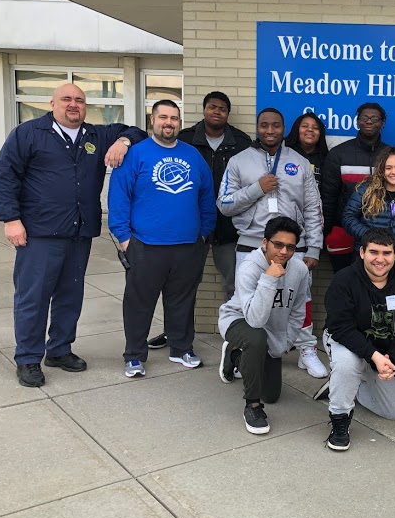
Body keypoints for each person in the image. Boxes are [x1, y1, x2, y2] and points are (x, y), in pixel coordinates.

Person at [0, 83, 144, 387]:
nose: (73, 105)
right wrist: (11, 219)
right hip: (40, 233)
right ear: (53, 103)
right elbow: (3, 176)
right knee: (33, 297)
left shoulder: (96, 135)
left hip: (79, 232)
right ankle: (29, 358)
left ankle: (59, 349)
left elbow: (137, 131)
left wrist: (123, 141)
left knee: (70, 296)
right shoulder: (29, 133)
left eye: (79, 100)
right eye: (67, 99)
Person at [217, 107, 327, 379]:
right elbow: (224, 204)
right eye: (264, 125)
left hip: (293, 248)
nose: (269, 130)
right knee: (249, 301)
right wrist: (257, 188)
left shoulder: (300, 162)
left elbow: (313, 207)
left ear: (283, 128)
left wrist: (313, 246)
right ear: (257, 127)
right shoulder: (239, 161)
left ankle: (305, 349)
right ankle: (242, 348)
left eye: (275, 125)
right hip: (252, 245)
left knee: (301, 300)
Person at [108, 100, 216, 377]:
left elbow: (206, 197)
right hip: (145, 245)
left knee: (182, 300)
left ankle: (181, 348)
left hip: (188, 245)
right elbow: (119, 196)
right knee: (138, 303)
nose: (169, 123)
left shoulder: (193, 155)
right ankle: (134, 355)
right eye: (163, 117)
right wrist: (124, 238)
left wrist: (204, 233)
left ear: (179, 123)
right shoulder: (136, 154)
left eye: (174, 118)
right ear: (153, 120)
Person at [319, 228, 395, 451]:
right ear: (362, 253)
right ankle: (340, 418)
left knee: (393, 411)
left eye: (386, 253)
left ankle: (345, 386)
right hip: (348, 342)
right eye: (373, 252)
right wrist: (373, 356)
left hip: (387, 351)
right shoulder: (344, 279)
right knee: (348, 364)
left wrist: (394, 362)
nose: (380, 259)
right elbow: (341, 328)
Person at [218, 217, 309, 434]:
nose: (284, 252)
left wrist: (285, 343)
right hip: (238, 320)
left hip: (270, 330)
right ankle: (253, 406)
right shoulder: (249, 267)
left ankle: (235, 357)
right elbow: (255, 320)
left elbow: (298, 311)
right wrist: (268, 279)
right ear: (265, 242)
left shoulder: (299, 270)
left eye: (290, 247)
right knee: (256, 338)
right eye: (278, 244)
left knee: (272, 394)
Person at [175, 91, 252, 300]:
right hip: (192, 224)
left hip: (229, 227)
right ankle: (180, 333)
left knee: (235, 285)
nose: (217, 112)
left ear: (228, 114)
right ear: (204, 110)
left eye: (222, 109)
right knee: (184, 284)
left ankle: (233, 332)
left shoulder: (242, 142)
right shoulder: (185, 140)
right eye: (212, 107)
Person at [321, 102, 390, 272]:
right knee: (344, 283)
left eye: (375, 118)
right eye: (364, 117)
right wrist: (325, 232)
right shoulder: (338, 154)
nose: (369, 121)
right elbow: (328, 197)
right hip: (343, 233)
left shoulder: (390, 155)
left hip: (379, 234)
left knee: (375, 283)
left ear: (382, 123)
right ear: (357, 121)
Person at [342, 147, 395, 260]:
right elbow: (348, 217)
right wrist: (370, 237)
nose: (394, 172)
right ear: (381, 170)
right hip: (366, 256)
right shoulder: (366, 189)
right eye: (388, 168)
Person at [284, 111, 328, 189]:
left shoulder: (326, 159)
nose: (310, 129)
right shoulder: (284, 153)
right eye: (305, 126)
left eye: (315, 128)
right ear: (297, 130)